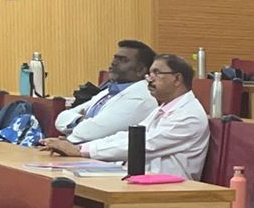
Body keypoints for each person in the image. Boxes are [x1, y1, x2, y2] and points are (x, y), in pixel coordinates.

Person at [39, 54, 209, 179]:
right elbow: (128, 136)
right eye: (149, 73)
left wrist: (81, 151)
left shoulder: (189, 116)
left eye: (157, 73)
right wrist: (80, 147)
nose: (149, 79)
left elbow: (144, 145)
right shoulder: (164, 108)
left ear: (177, 79)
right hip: (144, 180)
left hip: (171, 190)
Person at [55, 40, 158, 143]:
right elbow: (61, 118)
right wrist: (80, 121)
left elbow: (90, 132)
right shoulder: (110, 91)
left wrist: (77, 126)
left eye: (122, 60)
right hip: (80, 148)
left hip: (99, 152)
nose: (113, 63)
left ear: (140, 70)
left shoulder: (141, 98)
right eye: (115, 58)